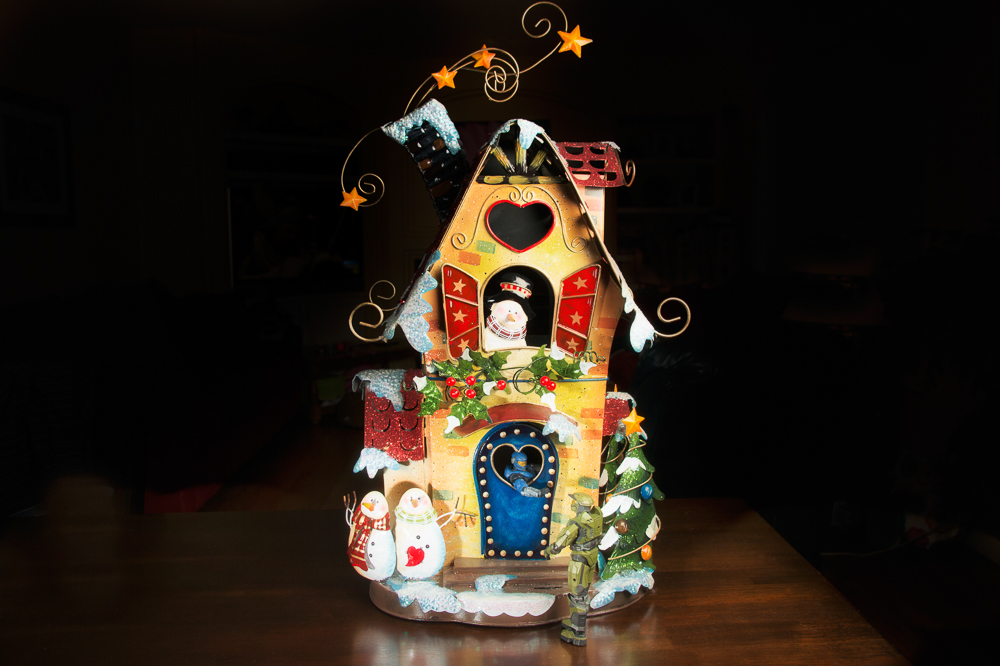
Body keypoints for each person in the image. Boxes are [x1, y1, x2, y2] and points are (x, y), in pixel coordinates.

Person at [543, 492, 604, 646]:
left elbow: (562, 541)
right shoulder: (597, 517)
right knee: (583, 592)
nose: (573, 504)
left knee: (578, 595)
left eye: (575, 502)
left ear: (579, 506)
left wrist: (549, 550)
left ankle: (578, 632)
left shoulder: (576, 523)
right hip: (592, 557)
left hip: (579, 561)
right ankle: (575, 621)